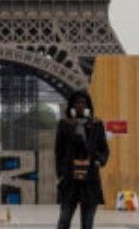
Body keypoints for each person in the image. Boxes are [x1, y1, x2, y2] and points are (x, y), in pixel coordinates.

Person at [54, 90, 111, 229]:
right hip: (70, 179)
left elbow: (104, 149)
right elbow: (59, 152)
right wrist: (61, 174)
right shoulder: (64, 124)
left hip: (90, 179)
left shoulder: (96, 124)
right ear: (72, 106)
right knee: (64, 221)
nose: (80, 105)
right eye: (77, 103)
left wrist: (99, 161)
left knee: (87, 223)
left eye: (83, 103)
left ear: (87, 106)